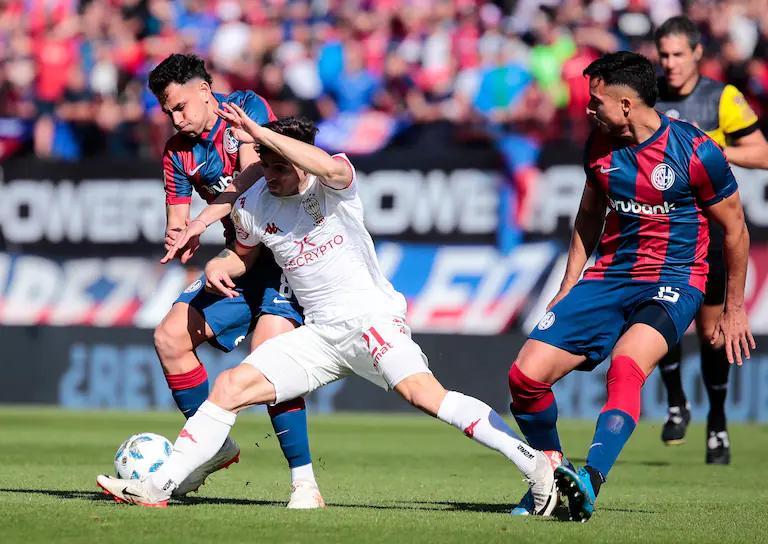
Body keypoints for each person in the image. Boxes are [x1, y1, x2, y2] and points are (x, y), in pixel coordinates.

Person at [96, 112, 559, 514]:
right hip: (318, 334)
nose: (270, 178)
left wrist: (262, 133)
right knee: (231, 385)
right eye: (266, 168)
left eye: (279, 168)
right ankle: (158, 486)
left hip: (371, 322)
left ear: (298, 160)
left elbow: (329, 166)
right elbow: (242, 253)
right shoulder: (255, 204)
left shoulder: (334, 183)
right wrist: (222, 263)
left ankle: (534, 464)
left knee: (427, 397)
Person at [506, 51, 754, 522]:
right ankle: (552, 481)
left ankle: (591, 481)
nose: (587, 109)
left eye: (595, 100)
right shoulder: (598, 144)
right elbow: (588, 215)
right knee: (525, 377)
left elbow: (736, 228)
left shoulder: (695, 151)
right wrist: (568, 283)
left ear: (625, 104)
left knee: (626, 364)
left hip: (675, 280)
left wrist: (734, 308)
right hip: (608, 278)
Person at [147, 53, 323, 508]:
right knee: (169, 337)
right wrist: (179, 236)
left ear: (204, 91)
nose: (176, 117)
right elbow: (177, 218)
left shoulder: (244, 107)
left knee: (269, 360)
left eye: (181, 106)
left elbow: (252, 178)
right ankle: (212, 446)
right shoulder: (177, 152)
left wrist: (203, 220)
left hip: (286, 253)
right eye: (168, 111)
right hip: (241, 258)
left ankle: (304, 484)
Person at [653, 15, 768, 463]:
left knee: (710, 331)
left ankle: (717, 422)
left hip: (712, 230)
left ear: (698, 53)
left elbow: (762, 152)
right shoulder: (650, 97)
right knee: (660, 317)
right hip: (665, 228)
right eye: (664, 55)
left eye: (678, 54)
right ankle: (676, 400)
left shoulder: (722, 98)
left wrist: (716, 148)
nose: (671, 63)